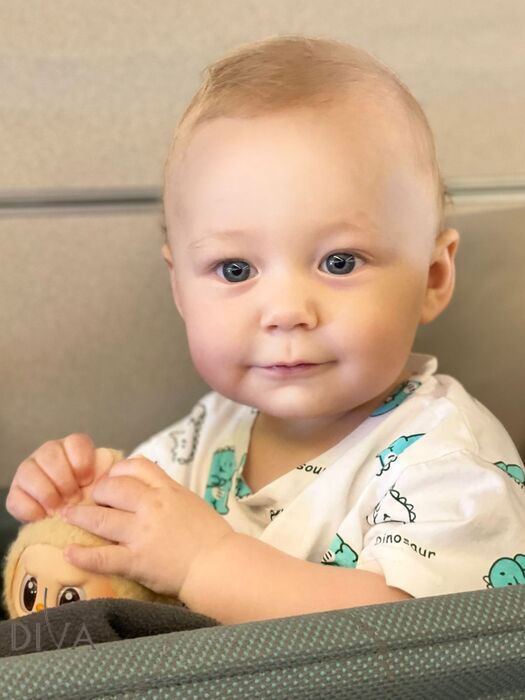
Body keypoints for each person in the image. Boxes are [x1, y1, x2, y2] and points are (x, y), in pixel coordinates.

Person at [6, 35, 525, 625]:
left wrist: (206, 562)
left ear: (432, 277)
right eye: (236, 269)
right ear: (180, 290)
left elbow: (426, 641)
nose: (285, 311)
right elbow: (131, 556)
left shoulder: (448, 464)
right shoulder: (209, 431)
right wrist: (76, 504)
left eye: (339, 262)